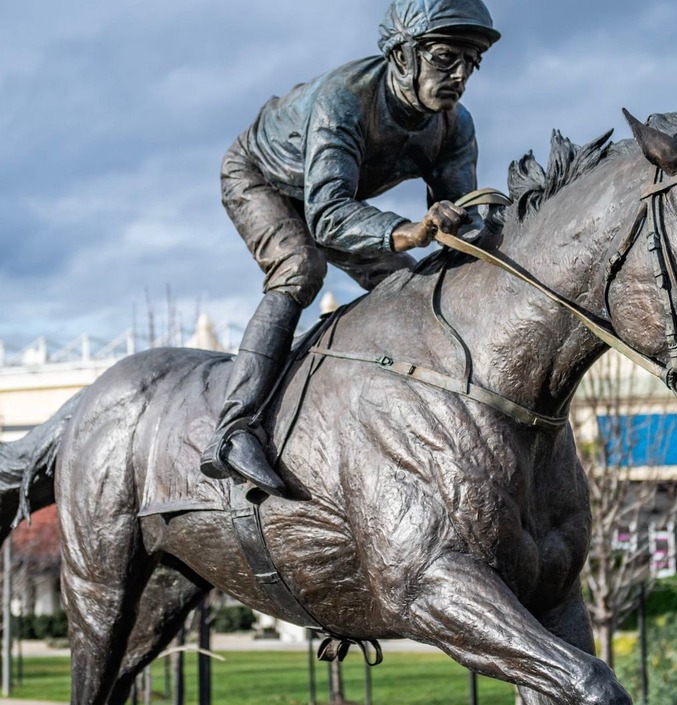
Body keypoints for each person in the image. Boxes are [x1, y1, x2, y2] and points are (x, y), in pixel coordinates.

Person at [199, 0, 501, 499]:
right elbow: (327, 217)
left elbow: (457, 227)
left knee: (406, 286)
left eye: (472, 62)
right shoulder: (344, 100)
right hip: (263, 179)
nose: (461, 75)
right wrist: (408, 231)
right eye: (447, 57)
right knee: (300, 268)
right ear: (403, 56)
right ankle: (234, 431)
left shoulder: (454, 124)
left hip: (335, 195)